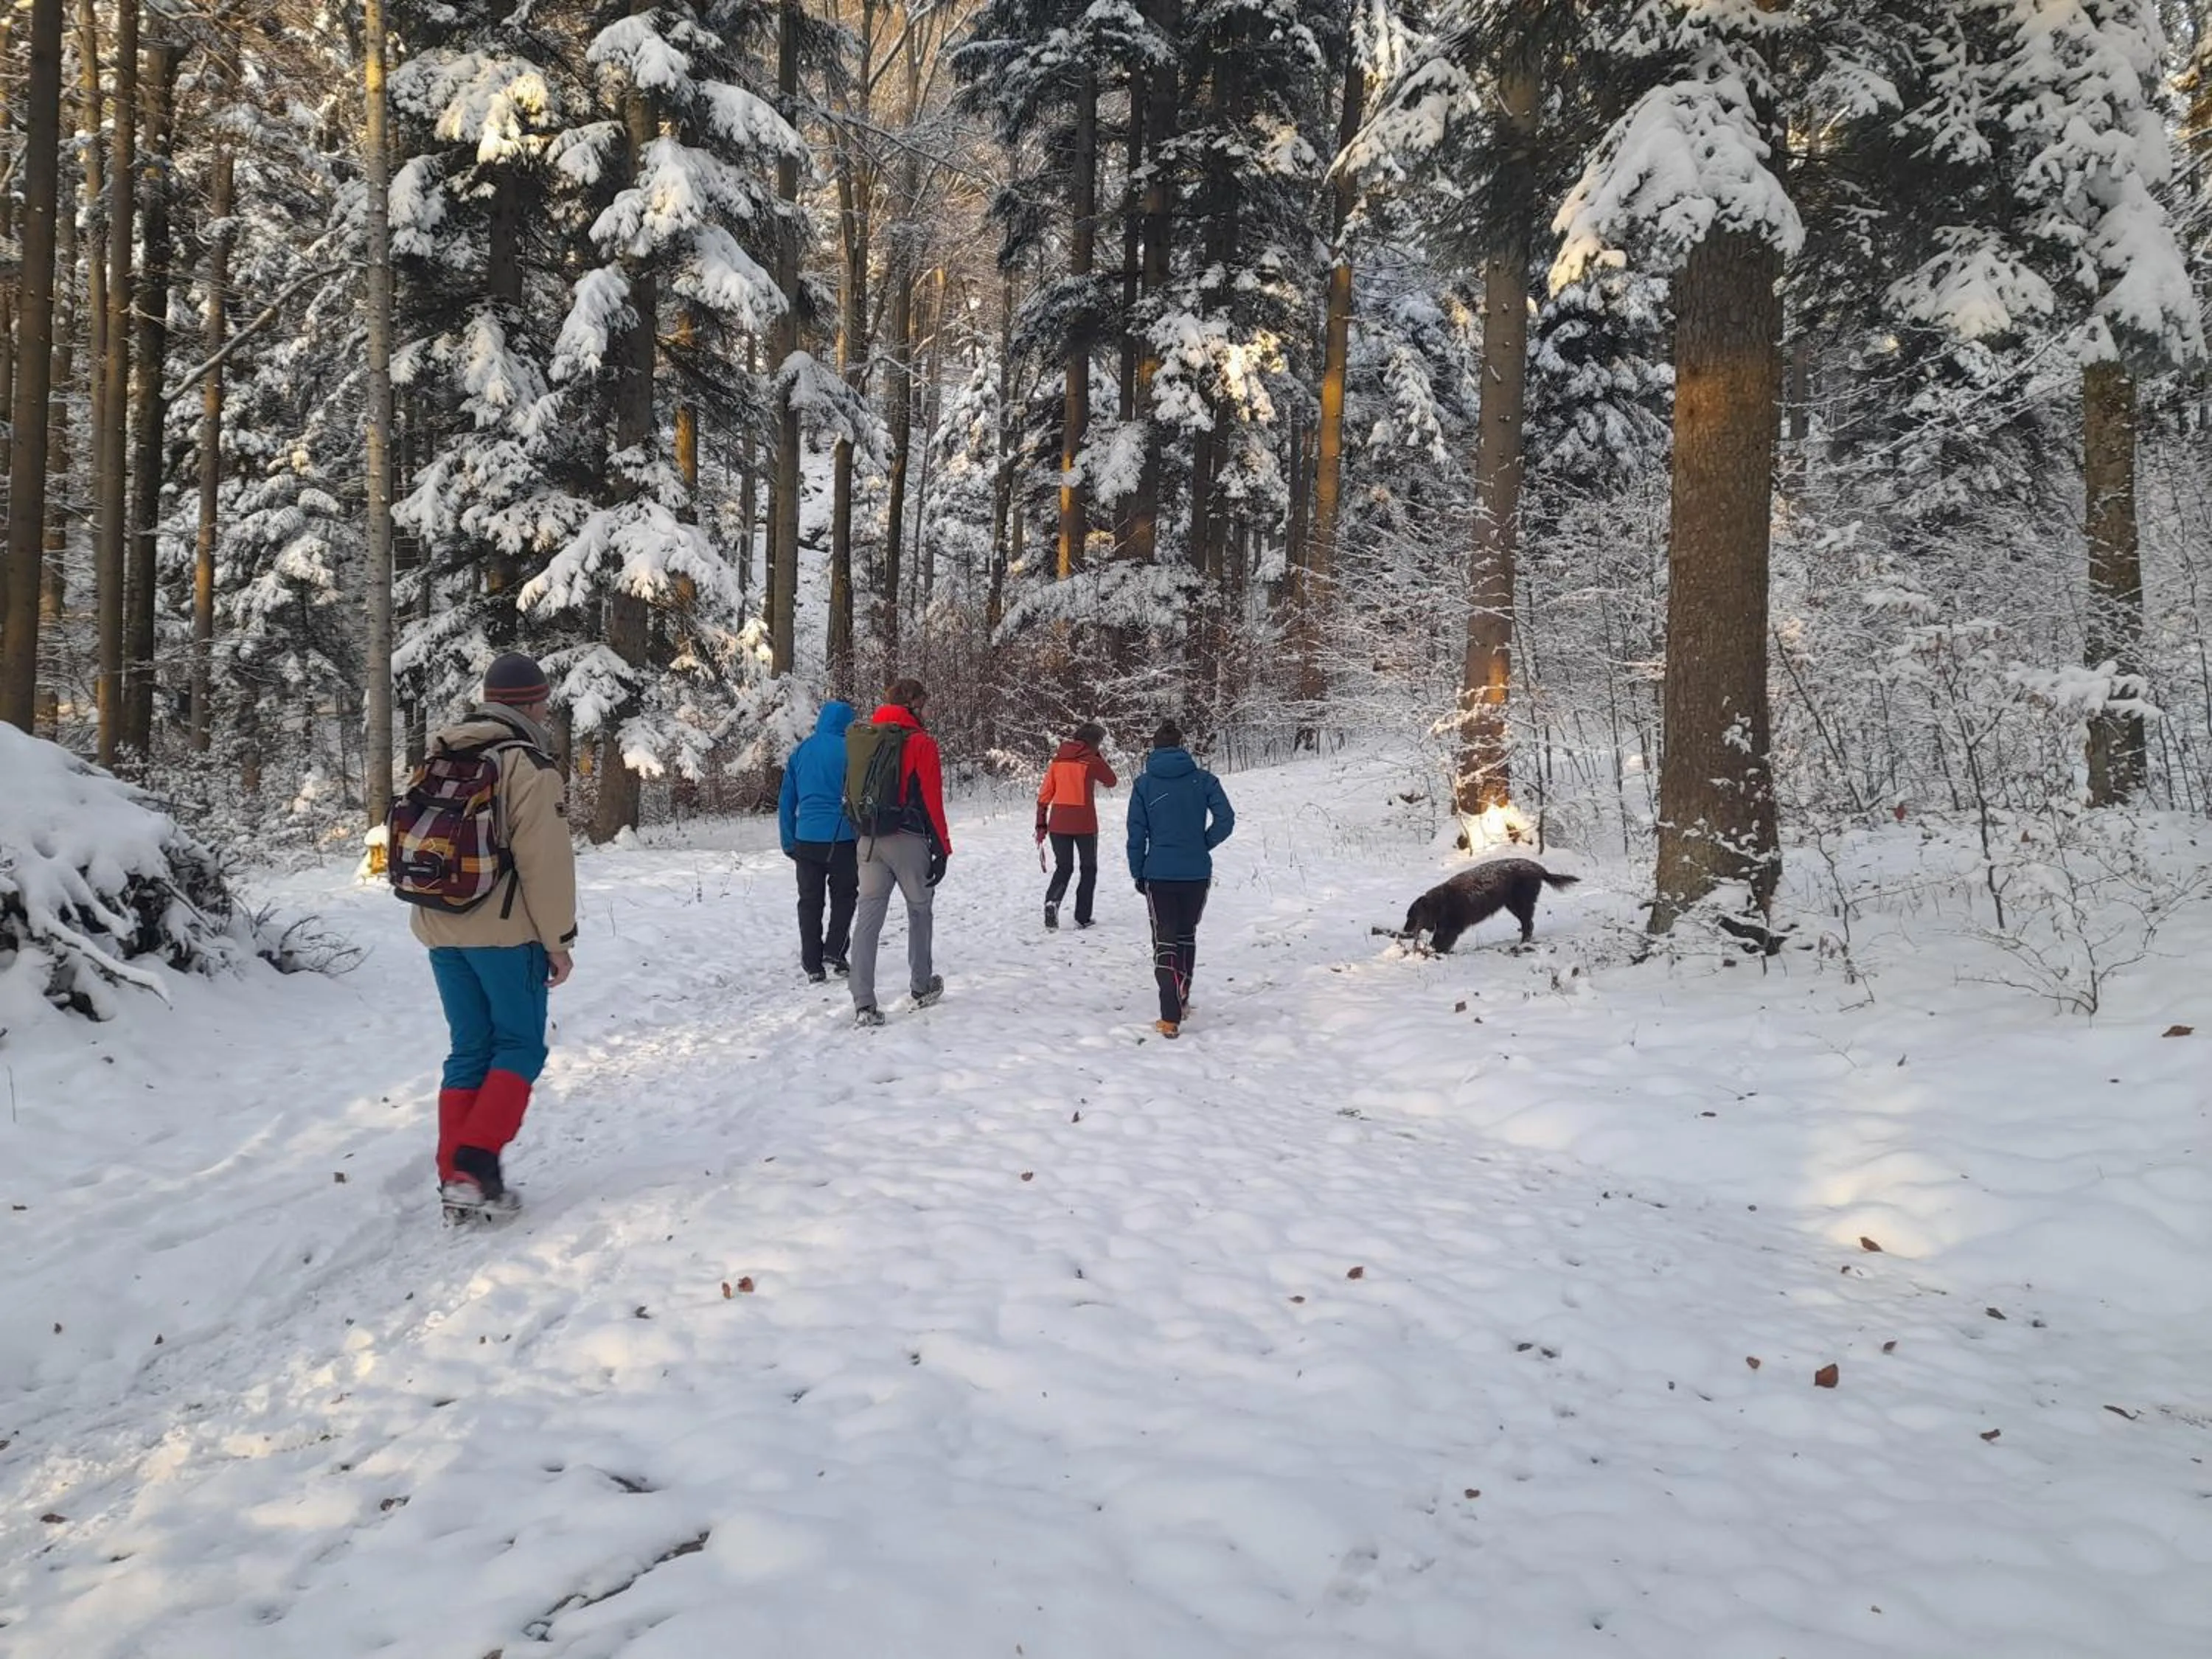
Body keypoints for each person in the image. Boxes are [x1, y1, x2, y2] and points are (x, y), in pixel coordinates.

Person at [397, 652, 577, 1217]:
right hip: (504, 932)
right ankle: (475, 1166)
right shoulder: (527, 766)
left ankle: (456, 1179)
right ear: (534, 704)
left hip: (439, 925)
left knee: (470, 1049)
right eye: (543, 701)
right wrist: (559, 939)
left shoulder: (442, 754)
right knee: (519, 1045)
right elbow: (546, 864)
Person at [846, 678, 953, 1027]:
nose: (929, 710)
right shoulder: (921, 743)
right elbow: (932, 801)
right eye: (926, 703)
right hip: (907, 839)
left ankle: (863, 1003)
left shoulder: (865, 738)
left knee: (868, 918)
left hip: (869, 839)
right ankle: (921, 985)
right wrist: (942, 848)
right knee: (920, 910)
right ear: (914, 705)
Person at [1126, 720, 1234, 1039]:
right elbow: (1226, 820)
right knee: (1186, 935)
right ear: (1181, 746)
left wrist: (1137, 871)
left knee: (1164, 940)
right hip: (1196, 872)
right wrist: (1202, 843)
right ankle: (1182, 998)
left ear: (1154, 748)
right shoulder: (1204, 780)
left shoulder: (1143, 785)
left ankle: (1169, 1017)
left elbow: (1136, 834)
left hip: (1158, 872)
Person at [779, 700, 860, 981]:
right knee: (844, 896)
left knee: (810, 901)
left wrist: (788, 840)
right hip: (842, 838)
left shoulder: (801, 752)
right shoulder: (852, 750)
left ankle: (812, 963)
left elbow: (786, 800)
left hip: (806, 839)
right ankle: (836, 950)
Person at [1034, 721, 1117, 930]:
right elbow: (1111, 781)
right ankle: (1083, 916)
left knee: (1064, 867)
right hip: (1085, 824)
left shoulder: (1057, 762)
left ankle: (1052, 901)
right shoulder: (1091, 761)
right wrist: (1098, 757)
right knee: (1088, 868)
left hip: (1058, 823)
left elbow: (1044, 794)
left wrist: (1041, 822)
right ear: (1094, 743)